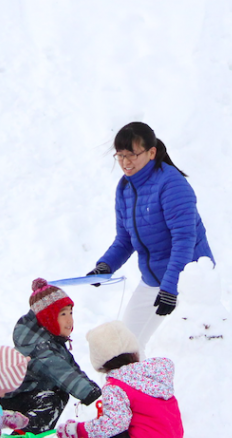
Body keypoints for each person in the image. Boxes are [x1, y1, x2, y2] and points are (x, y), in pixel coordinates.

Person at [87, 122, 214, 348]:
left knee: (192, 351)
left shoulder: (171, 184)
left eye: (132, 155)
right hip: (154, 280)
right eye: (120, 155)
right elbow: (125, 239)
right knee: (124, 347)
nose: (125, 162)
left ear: (151, 152)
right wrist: (105, 266)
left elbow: (185, 239)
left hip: (189, 280)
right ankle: (133, 384)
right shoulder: (125, 188)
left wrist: (170, 287)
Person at [57, 321, 182, 438]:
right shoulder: (151, 376)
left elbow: (114, 424)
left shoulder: (116, 385)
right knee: (138, 429)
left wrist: (79, 430)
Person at [0, 279, 102, 434]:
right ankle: (24, 435)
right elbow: (60, 371)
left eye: (71, 313)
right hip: (6, 399)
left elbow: (71, 369)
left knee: (59, 393)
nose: (69, 320)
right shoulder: (38, 346)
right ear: (48, 317)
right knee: (51, 400)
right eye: (63, 314)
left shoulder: (51, 341)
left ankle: (31, 433)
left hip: (26, 394)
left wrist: (97, 390)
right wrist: (90, 393)